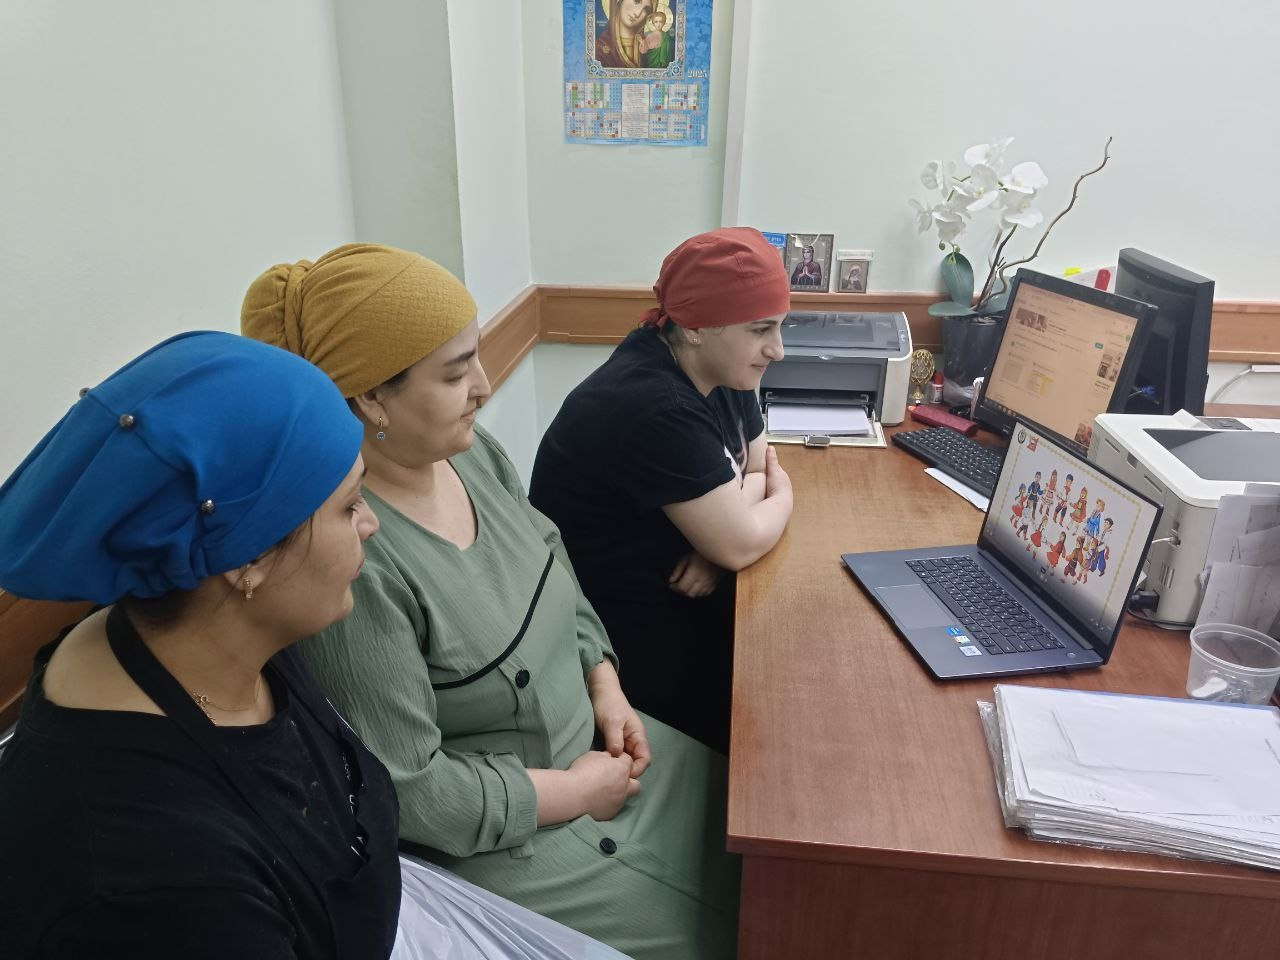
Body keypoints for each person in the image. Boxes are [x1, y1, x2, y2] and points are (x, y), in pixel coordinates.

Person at [242, 243, 739, 960]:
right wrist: (574, 794)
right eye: (454, 373)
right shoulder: (357, 559)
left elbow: (554, 561)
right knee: (751, 928)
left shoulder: (472, 456)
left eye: (476, 357)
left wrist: (605, 684)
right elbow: (413, 791)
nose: (483, 386)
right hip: (520, 835)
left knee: (771, 839)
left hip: (603, 750)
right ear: (370, 398)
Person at [0, 332, 400, 958]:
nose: (370, 523)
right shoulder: (161, 883)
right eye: (349, 506)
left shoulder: (218, 634)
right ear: (248, 559)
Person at [529, 227, 794, 754]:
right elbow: (747, 529)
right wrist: (779, 497)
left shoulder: (721, 369)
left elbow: (757, 467)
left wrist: (718, 544)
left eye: (780, 327)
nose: (778, 350)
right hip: (620, 646)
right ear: (694, 327)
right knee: (778, 724)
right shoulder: (655, 406)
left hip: (681, 604)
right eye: (761, 329)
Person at [596, 0, 654, 69]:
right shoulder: (600, 47)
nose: (637, 14)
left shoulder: (647, 47)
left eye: (646, 10)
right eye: (636, 1)